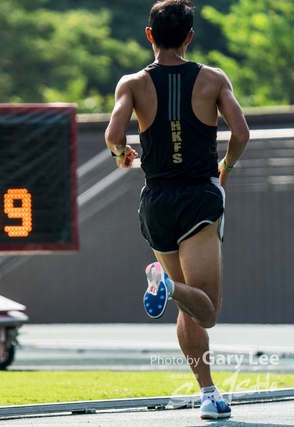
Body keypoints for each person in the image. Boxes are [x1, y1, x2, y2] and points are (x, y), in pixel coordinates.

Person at [104, 0, 249, 420]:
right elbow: (240, 133)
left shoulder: (132, 83)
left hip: (156, 201)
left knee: (189, 302)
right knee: (207, 308)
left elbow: (114, 134)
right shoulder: (212, 79)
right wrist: (227, 165)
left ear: (149, 35)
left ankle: (208, 395)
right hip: (198, 199)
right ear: (189, 37)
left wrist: (120, 152)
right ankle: (164, 287)